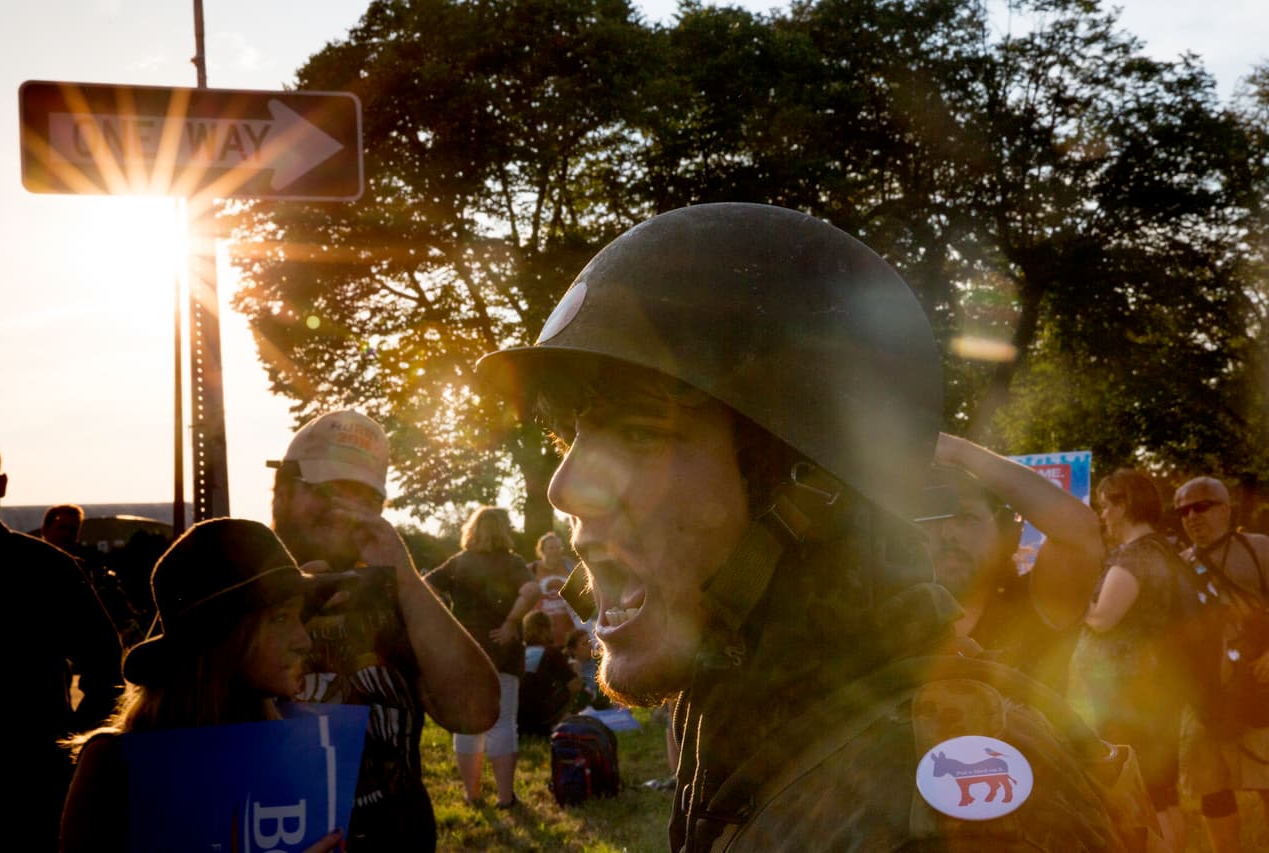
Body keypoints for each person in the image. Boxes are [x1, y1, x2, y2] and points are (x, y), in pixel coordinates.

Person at [476, 203, 1158, 850]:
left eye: (636, 431)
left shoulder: (951, 814)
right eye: (571, 435)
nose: (563, 488)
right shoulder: (737, 706)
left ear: (807, 482)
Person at [268, 409, 499, 851]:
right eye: (326, 490)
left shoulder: (398, 599)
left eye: (364, 498)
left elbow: (475, 712)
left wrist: (405, 576)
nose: (344, 509)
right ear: (283, 491)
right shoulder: (232, 582)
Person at [59, 518, 346, 853]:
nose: (303, 641)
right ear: (221, 636)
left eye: (300, 618)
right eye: (280, 618)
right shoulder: (116, 764)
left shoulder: (306, 752)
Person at [0, 440, 123, 849]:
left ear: (1, 485)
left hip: (29, 784)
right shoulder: (48, 568)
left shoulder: (49, 570)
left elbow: (106, 665)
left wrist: (73, 747)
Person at [918, 434, 1103, 693]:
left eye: (968, 518)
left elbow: (1080, 532)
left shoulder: (1036, 606)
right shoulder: (898, 618)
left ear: (1005, 533)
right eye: (934, 519)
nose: (949, 534)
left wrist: (958, 451)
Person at [1067, 468, 1189, 848]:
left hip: (1129, 696)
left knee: (1147, 793)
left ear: (1124, 506)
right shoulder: (1163, 551)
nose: (1102, 515)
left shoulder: (1136, 557)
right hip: (1154, 689)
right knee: (1162, 792)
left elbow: (1103, 619)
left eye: (1106, 506)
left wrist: (1071, 599)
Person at [1172, 475, 1269, 853]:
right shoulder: (1181, 566)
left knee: (1265, 779)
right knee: (1212, 785)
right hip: (1205, 694)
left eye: (1201, 506)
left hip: (1257, 685)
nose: (1191, 516)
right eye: (1183, 510)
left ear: (1225, 508)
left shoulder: (1260, 549)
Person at [426, 506, 540, 808]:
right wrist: (511, 622)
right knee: (502, 723)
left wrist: (446, 624)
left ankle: (472, 795)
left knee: (468, 723)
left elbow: (425, 588)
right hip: (502, 650)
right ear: (504, 530)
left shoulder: (459, 563)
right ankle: (505, 798)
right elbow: (531, 590)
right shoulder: (512, 563)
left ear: (472, 530)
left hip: (463, 651)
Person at [43, 503, 143, 643]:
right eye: (62, 528)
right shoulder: (28, 565)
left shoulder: (83, 569)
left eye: (73, 530)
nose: (67, 535)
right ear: (45, 530)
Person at [518, 611, 581, 737]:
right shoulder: (552, 653)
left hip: (518, 722)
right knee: (574, 682)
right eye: (552, 626)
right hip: (540, 720)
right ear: (544, 629)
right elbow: (574, 686)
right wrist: (577, 670)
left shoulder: (520, 652)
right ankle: (561, 720)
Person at [528, 530, 578, 647]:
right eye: (551, 548)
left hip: (571, 634)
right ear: (541, 550)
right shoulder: (531, 570)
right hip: (540, 634)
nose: (555, 551)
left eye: (558, 547)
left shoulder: (571, 567)